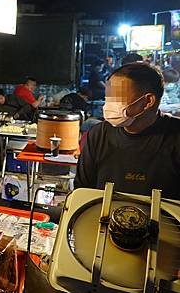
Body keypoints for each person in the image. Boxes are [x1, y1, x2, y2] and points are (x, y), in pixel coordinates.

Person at [75, 62, 180, 199]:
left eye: (117, 98)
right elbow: (82, 191)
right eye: (108, 97)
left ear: (148, 101)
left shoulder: (175, 137)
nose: (109, 105)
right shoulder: (98, 134)